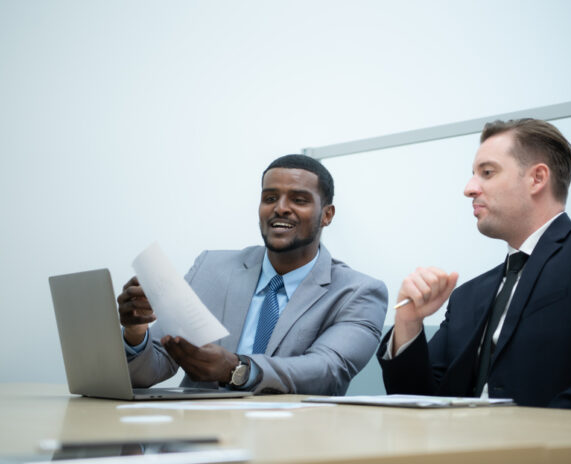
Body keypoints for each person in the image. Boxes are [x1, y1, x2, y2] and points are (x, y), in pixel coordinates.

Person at [378, 118, 571, 413]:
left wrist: (551, 429)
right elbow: (417, 404)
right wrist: (407, 322)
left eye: (487, 172)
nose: (469, 188)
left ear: (537, 178)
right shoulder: (466, 297)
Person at [118, 154, 388, 395]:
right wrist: (135, 330)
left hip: (295, 441)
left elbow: (327, 370)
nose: (280, 207)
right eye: (269, 198)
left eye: (299, 199)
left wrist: (238, 369)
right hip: (199, 437)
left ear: (326, 215)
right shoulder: (211, 268)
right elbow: (147, 372)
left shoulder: (358, 292)